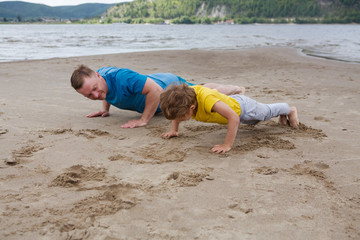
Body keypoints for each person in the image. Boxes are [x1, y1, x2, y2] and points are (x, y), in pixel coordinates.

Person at [70, 65, 245, 128]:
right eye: (89, 95)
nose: (96, 94)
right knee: (199, 88)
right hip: (155, 81)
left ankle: (236, 89)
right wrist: (104, 109)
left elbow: (154, 90)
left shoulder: (122, 78)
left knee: (200, 92)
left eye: (95, 88)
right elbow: (105, 92)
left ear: (98, 77)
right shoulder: (99, 81)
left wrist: (144, 120)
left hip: (165, 86)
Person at [160, 84, 299, 154]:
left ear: (191, 108)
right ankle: (281, 113)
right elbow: (175, 112)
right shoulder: (183, 97)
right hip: (230, 104)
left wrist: (227, 145)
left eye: (181, 119)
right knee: (256, 121)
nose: (179, 120)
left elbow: (233, 117)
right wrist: (174, 130)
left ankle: (289, 109)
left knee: (266, 113)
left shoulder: (207, 100)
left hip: (244, 107)